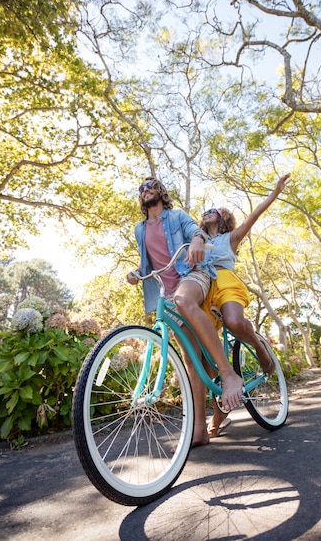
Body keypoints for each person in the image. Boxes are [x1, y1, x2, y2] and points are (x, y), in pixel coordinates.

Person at [127, 177, 243, 446]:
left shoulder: (176, 215)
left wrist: (197, 241)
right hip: (165, 294)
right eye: (141, 188)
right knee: (191, 361)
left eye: (150, 186)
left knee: (183, 300)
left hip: (193, 275)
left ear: (160, 192)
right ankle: (200, 431)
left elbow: (196, 231)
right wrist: (136, 273)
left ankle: (228, 374)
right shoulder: (139, 229)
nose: (145, 190)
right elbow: (147, 264)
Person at [200, 174, 290, 438]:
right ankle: (216, 420)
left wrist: (275, 192)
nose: (209, 213)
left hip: (225, 282)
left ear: (224, 219)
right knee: (205, 362)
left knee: (235, 322)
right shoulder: (197, 239)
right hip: (205, 289)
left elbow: (256, 214)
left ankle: (262, 351)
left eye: (215, 211)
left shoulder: (231, 238)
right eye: (206, 211)